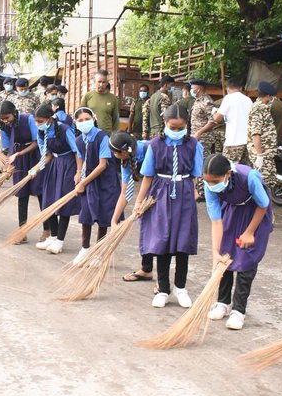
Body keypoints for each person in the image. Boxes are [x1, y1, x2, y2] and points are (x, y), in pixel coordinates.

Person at [132, 104, 203, 308]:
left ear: (187, 125)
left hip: (184, 193)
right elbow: (147, 176)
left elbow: (195, 175)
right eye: (173, 127)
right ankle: (163, 289)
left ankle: (181, 287)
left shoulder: (194, 145)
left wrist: (194, 192)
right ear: (165, 124)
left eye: (181, 127)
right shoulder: (154, 145)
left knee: (183, 242)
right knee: (161, 242)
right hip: (160, 193)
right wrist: (139, 202)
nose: (177, 130)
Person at [203, 153, 273, 330]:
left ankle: (238, 311)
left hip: (255, 213)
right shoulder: (209, 185)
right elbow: (216, 221)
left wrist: (249, 232)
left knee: (246, 260)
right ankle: (222, 303)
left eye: (215, 181)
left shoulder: (249, 177)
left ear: (227, 174)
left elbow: (263, 205)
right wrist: (215, 252)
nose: (211, 185)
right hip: (231, 213)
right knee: (225, 256)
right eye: (208, 181)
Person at [72, 106, 120, 265]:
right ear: (76, 123)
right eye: (80, 121)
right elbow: (79, 156)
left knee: (103, 215)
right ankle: (85, 249)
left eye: (87, 119)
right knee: (86, 213)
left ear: (93, 119)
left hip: (105, 180)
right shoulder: (79, 139)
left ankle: (99, 252)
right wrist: (78, 173)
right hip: (89, 179)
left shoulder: (102, 137)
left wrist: (83, 182)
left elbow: (102, 165)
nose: (84, 123)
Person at [32, 104, 83, 254]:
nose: (37, 124)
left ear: (49, 119)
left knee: (64, 202)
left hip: (69, 165)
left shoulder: (64, 129)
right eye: (36, 121)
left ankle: (60, 241)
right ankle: (52, 237)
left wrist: (79, 172)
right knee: (50, 201)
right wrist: (36, 168)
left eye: (40, 121)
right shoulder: (42, 132)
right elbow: (46, 155)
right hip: (54, 165)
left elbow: (77, 152)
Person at [109, 130, 154, 283]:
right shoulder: (126, 160)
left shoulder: (150, 148)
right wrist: (114, 221)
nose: (114, 156)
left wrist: (140, 202)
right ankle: (146, 269)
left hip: (164, 191)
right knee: (146, 229)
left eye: (114, 153)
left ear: (122, 151)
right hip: (148, 196)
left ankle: (164, 284)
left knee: (161, 234)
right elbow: (125, 192)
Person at [0, 100, 43, 239]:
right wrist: (7, 163)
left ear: (14, 113)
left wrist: (19, 154)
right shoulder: (4, 126)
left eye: (7, 118)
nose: (5, 121)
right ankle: (22, 231)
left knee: (40, 192)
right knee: (22, 194)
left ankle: (47, 229)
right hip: (18, 159)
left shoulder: (27, 119)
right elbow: (6, 146)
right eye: (2, 118)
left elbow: (36, 142)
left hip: (34, 156)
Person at [195, 78, 251, 164]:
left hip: (233, 141)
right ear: (240, 88)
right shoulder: (248, 100)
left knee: (228, 168)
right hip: (247, 141)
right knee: (245, 169)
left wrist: (214, 112)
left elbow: (217, 118)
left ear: (227, 89)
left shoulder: (228, 98)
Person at [247, 82, 279, 191]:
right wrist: (259, 155)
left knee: (268, 182)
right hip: (262, 153)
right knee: (264, 184)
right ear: (269, 96)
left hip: (265, 153)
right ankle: (262, 207)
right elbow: (256, 133)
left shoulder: (263, 107)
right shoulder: (259, 108)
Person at [189, 79, 224, 160]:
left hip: (204, 138)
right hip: (196, 136)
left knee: (202, 160)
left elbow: (213, 121)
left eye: (192, 88)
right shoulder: (197, 101)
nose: (191, 90)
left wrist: (199, 132)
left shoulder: (207, 102)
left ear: (198, 89)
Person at [80, 69, 120, 135]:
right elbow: (81, 115)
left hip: (107, 135)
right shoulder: (87, 96)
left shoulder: (113, 98)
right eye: (99, 82)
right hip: (90, 134)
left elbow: (115, 119)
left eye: (103, 82)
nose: (101, 84)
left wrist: (115, 135)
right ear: (94, 82)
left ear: (107, 83)